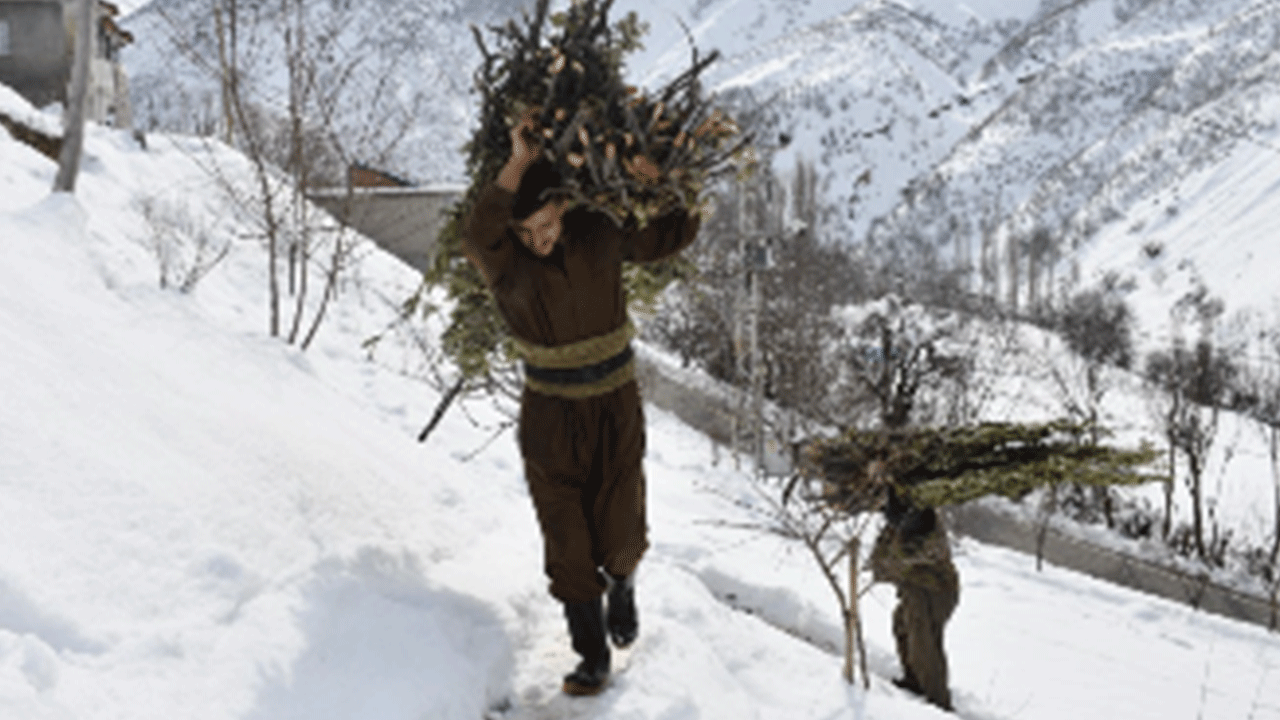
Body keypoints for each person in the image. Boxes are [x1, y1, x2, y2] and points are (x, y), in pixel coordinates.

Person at [462, 111, 702, 696]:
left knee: (621, 522)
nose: (536, 238)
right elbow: (476, 236)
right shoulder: (506, 265)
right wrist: (517, 161)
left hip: (615, 406)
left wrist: (662, 181)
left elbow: (672, 233)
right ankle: (591, 654)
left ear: (564, 210)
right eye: (525, 232)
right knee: (566, 537)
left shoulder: (597, 233)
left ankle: (622, 584)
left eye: (544, 224)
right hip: (549, 416)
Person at [869, 488, 960, 712]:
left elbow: (899, 563)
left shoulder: (929, 531)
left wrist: (887, 564)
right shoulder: (898, 526)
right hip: (915, 590)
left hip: (935, 592)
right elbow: (879, 560)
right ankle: (915, 681)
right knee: (901, 626)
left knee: (925, 643)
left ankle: (938, 702)